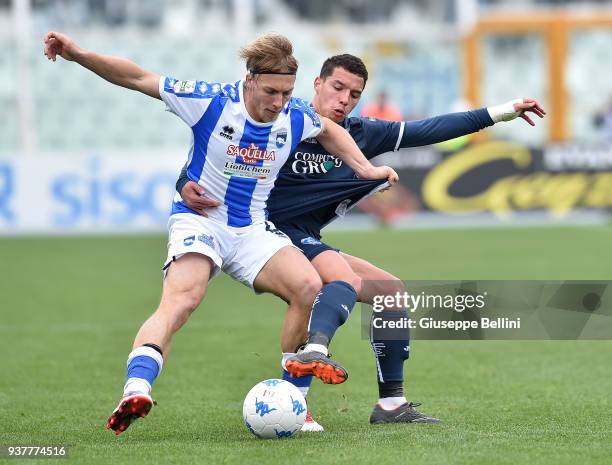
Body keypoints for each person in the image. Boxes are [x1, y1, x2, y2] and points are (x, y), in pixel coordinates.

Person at [43, 33, 399, 436]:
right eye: (270, 92)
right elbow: (137, 77)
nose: (279, 102)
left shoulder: (294, 116)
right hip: (201, 222)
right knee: (183, 300)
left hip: (251, 229)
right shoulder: (211, 101)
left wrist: (365, 169)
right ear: (249, 80)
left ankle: (295, 401)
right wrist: (78, 54)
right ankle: (136, 390)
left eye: (286, 92)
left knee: (307, 286)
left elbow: (330, 132)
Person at [177, 54, 546, 431]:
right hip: (269, 235)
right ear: (317, 84)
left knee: (391, 291)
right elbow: (222, 157)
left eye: (354, 94)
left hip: (306, 237)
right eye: (337, 87)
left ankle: (391, 403)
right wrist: (182, 184)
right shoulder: (287, 121)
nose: (344, 99)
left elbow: (429, 129)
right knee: (342, 277)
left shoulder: (361, 134)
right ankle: (307, 374)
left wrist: (502, 112)